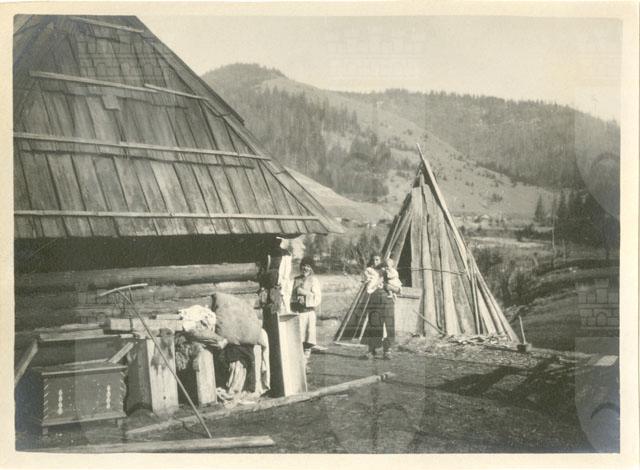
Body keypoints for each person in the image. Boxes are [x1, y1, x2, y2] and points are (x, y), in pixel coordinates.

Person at [360, 254, 395, 360]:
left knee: (388, 325)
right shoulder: (369, 271)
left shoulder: (387, 271)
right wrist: (378, 282)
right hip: (374, 300)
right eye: (374, 260)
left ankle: (387, 351)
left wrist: (389, 287)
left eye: (377, 260)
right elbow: (368, 286)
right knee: (373, 323)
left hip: (387, 301)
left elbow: (396, 285)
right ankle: (371, 350)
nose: (375, 262)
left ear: (381, 261)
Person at [291, 257, 322, 362]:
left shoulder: (313, 280)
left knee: (308, 338)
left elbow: (317, 298)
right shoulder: (296, 279)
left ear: (311, 268)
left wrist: (304, 294)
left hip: (308, 312)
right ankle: (299, 362)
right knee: (298, 337)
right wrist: (294, 302)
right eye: (304, 266)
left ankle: (306, 360)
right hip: (298, 313)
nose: (305, 268)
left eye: (308, 266)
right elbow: (290, 295)